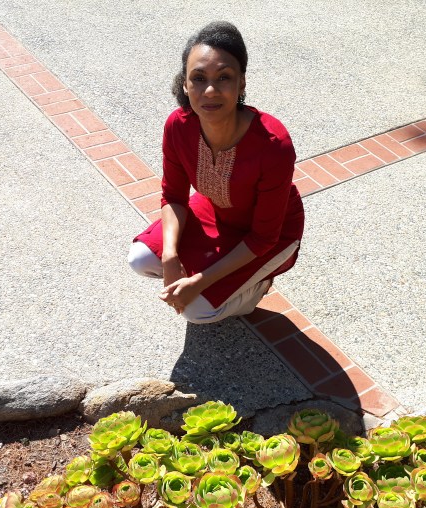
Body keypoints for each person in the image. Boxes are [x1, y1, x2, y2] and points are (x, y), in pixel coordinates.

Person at [128, 21, 304, 324]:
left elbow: (263, 237)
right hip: (214, 212)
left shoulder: (274, 145)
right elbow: (173, 195)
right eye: (198, 78)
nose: (210, 90)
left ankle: (257, 287)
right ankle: (215, 278)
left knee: (198, 311)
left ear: (242, 83)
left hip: (270, 234)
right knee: (140, 259)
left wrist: (199, 282)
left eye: (224, 77)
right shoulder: (178, 125)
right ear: (185, 84)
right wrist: (170, 256)